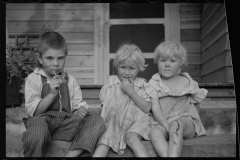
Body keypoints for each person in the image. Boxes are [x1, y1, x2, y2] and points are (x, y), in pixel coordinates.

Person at [22, 31, 106, 157]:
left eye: (60, 58)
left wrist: (79, 112)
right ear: (39, 58)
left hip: (65, 127)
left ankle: (71, 155)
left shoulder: (70, 81)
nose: (55, 63)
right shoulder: (33, 79)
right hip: (43, 124)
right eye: (49, 58)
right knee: (37, 127)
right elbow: (35, 113)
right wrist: (51, 94)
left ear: (65, 57)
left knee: (97, 120)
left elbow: (75, 109)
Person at [92, 43, 155, 157]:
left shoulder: (142, 85)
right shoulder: (111, 83)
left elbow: (147, 108)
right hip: (115, 123)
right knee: (108, 134)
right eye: (123, 67)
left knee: (131, 138)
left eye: (131, 68)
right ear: (117, 66)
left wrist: (131, 92)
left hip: (136, 123)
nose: (126, 72)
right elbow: (105, 104)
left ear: (139, 69)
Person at [148, 41, 208, 157]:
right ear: (157, 62)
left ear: (181, 63)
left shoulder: (187, 82)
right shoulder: (154, 83)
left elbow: (196, 103)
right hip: (163, 123)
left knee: (176, 124)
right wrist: (165, 125)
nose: (167, 64)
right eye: (163, 60)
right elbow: (155, 108)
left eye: (172, 61)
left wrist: (196, 122)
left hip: (185, 123)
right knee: (154, 132)